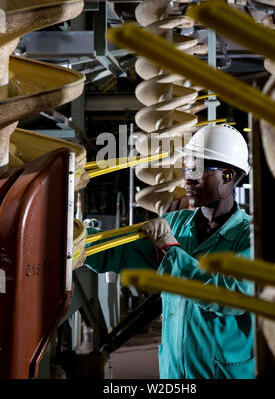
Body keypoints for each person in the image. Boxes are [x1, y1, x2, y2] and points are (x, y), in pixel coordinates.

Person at [85, 124, 255, 379]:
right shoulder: (177, 224)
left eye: (197, 169)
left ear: (228, 176)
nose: (187, 177)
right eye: (187, 168)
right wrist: (77, 241)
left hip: (220, 374)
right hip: (174, 372)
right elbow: (119, 251)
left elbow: (231, 297)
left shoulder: (249, 237)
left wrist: (171, 250)